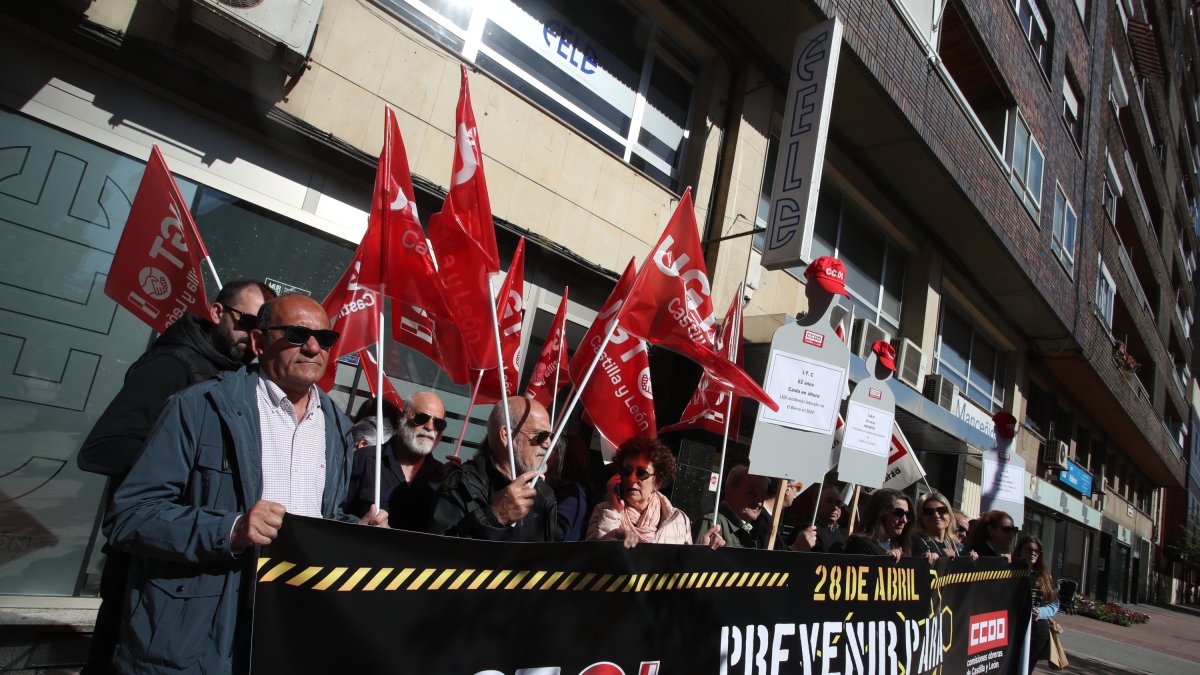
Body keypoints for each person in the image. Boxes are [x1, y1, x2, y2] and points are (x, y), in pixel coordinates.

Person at [104, 293, 388, 674]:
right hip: (196, 639)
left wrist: (356, 533)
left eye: (325, 337)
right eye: (296, 333)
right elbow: (130, 516)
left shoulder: (337, 427)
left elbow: (321, 517)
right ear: (258, 342)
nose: (312, 346)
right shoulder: (198, 406)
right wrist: (232, 529)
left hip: (291, 634)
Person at [76, 278, 273, 674]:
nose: (250, 337)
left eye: (260, 330)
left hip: (201, 566)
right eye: (244, 322)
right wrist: (181, 458)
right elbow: (102, 448)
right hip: (145, 560)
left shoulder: (240, 383)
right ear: (217, 312)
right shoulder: (172, 365)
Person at [429, 396, 561, 541]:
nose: (548, 444)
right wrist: (495, 516)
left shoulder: (544, 494)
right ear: (507, 436)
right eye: (541, 435)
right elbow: (435, 552)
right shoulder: (463, 485)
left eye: (550, 436)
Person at [585, 437, 723, 548]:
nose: (632, 480)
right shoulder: (603, 511)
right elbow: (593, 557)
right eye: (627, 471)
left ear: (658, 481)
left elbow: (683, 569)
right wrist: (614, 522)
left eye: (642, 473)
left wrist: (704, 551)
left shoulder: (678, 520)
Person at [345, 392, 447, 532]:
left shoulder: (443, 477)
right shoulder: (364, 459)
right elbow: (332, 511)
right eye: (422, 417)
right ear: (401, 417)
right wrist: (358, 525)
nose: (430, 427)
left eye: (438, 423)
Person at [696, 465, 767, 548]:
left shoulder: (745, 528)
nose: (759, 503)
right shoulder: (713, 522)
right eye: (751, 493)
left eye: (762, 497)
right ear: (730, 492)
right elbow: (696, 559)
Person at [1016, 535, 1059, 671]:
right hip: (1014, 628)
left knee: (1026, 668)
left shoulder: (1044, 576)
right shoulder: (1009, 571)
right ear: (1020, 550)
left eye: (1037, 551)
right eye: (1029, 549)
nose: (1033, 553)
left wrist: (1040, 612)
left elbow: (1054, 604)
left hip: (1037, 631)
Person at [844, 488, 922, 562]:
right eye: (898, 513)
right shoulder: (857, 543)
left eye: (908, 514)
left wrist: (926, 561)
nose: (904, 520)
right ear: (878, 513)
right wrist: (885, 558)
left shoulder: (904, 547)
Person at [912, 491, 977, 559]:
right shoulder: (915, 541)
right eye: (929, 511)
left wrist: (966, 560)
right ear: (920, 517)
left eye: (942, 510)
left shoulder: (950, 543)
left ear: (950, 517)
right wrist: (942, 559)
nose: (936, 515)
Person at [792, 486, 848, 553]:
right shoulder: (806, 531)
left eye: (838, 503)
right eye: (828, 501)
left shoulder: (845, 534)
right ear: (816, 503)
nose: (835, 507)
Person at [753, 479, 798, 550]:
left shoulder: (760, 514)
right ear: (787, 489)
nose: (796, 494)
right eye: (798, 487)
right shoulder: (760, 519)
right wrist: (796, 547)